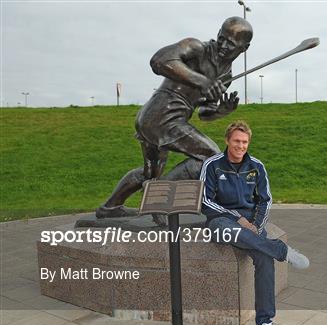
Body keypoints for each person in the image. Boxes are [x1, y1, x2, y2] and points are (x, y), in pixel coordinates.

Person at [96, 17, 252, 219]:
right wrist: (202, 80)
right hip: (162, 116)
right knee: (211, 157)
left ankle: (110, 208)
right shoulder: (196, 48)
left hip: (163, 120)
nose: (222, 46)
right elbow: (159, 60)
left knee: (150, 173)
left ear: (243, 48)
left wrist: (222, 110)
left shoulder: (226, 74)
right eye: (221, 38)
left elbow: (204, 112)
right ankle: (158, 201)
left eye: (230, 45)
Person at [200, 121, 310, 325]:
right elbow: (205, 201)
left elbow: (265, 200)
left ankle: (265, 323)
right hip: (222, 221)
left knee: (263, 257)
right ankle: (281, 249)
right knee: (230, 230)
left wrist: (256, 225)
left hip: (251, 224)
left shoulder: (257, 166)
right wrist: (237, 219)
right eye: (236, 141)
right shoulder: (212, 165)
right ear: (227, 140)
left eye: (244, 142)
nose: (240, 145)